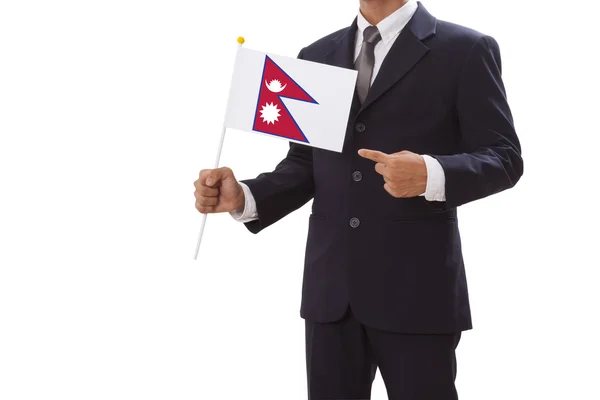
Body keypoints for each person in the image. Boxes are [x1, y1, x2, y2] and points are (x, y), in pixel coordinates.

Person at [193, 0, 523, 398]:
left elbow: (504, 158)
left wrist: (430, 173)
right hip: (331, 291)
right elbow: (304, 164)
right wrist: (244, 195)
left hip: (417, 290)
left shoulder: (466, 49)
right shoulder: (317, 56)